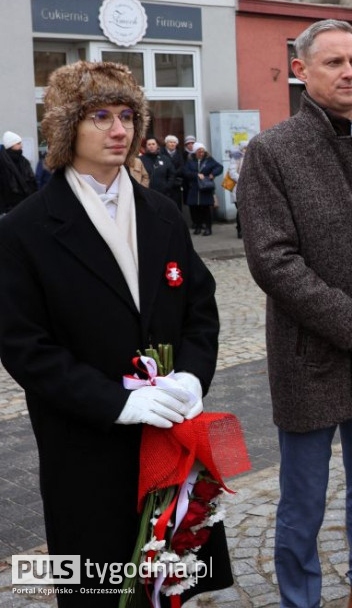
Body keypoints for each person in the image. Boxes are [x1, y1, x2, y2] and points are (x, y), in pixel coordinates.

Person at [0, 61, 229, 606]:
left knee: (171, 579)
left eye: (127, 115)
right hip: (84, 448)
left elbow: (200, 306)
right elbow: (23, 345)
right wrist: (115, 403)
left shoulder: (162, 213)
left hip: (169, 439)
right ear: (64, 128)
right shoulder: (24, 228)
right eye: (99, 116)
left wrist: (194, 378)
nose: (119, 129)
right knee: (92, 586)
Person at [237, 19, 352, 608]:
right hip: (310, 352)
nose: (349, 73)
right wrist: (350, 319)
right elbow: (271, 259)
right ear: (301, 71)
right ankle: (302, 599)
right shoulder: (273, 150)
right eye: (334, 63)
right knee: (303, 497)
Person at [184, 142, 223, 236]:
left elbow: (219, 167)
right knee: (195, 209)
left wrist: (213, 174)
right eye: (199, 151)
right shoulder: (190, 161)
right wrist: (196, 175)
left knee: (206, 209)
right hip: (194, 188)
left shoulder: (209, 160)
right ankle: (198, 226)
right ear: (195, 152)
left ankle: (208, 228)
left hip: (205, 188)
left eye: (202, 151)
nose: (201, 153)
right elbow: (185, 172)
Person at [0, 130, 38, 214]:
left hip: (26, 204)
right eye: (18, 143)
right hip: (9, 209)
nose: (21, 146)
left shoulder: (23, 161)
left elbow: (32, 181)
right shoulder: (2, 162)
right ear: (10, 145)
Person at [162, 134, 186, 209]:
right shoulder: (161, 153)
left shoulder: (180, 154)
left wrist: (173, 173)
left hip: (176, 183)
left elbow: (182, 167)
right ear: (166, 143)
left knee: (177, 204)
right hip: (165, 182)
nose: (172, 144)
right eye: (170, 142)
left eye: (174, 142)